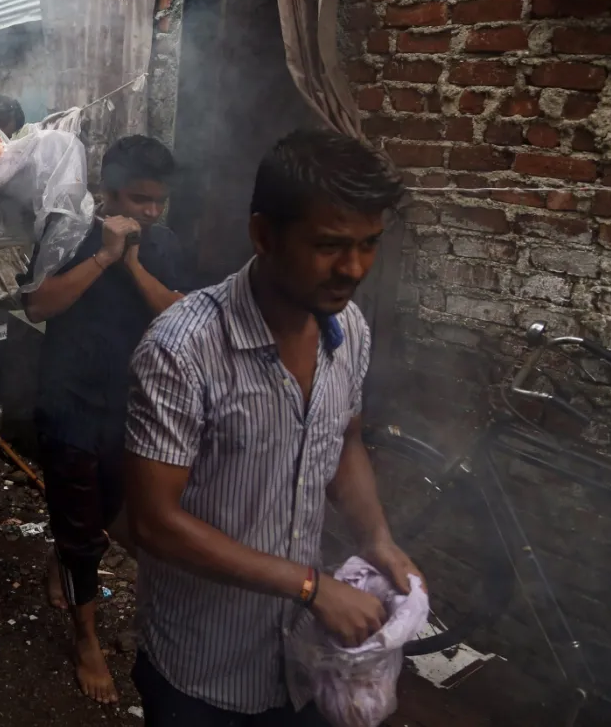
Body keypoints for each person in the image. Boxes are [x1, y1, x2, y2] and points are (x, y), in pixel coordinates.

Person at [123, 128, 423, 726]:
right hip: (203, 667)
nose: (354, 268)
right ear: (263, 234)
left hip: (304, 663)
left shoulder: (349, 330)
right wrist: (311, 587)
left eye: (369, 245)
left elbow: (346, 439)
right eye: (331, 245)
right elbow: (153, 523)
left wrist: (378, 539)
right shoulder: (182, 349)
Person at [23, 135, 186, 704]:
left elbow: (179, 316)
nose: (151, 211)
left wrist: (134, 263)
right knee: (81, 528)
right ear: (107, 193)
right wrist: (103, 258)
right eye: (140, 200)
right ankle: (86, 639)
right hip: (68, 402)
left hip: (131, 406)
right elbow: (39, 305)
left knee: (104, 512)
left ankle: (64, 558)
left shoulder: (160, 245)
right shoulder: (70, 234)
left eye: (158, 201)